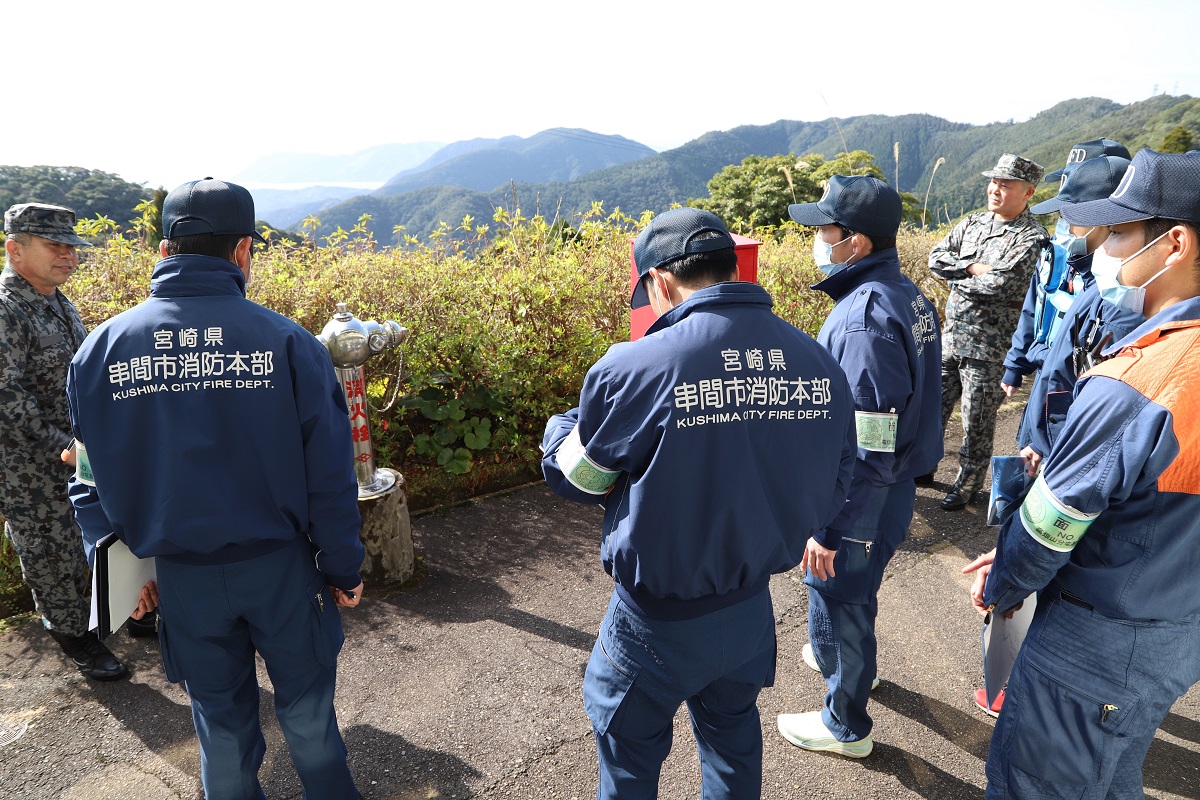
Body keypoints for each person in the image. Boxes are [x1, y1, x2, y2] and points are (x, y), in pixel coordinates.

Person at [65, 178, 366, 799]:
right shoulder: (288, 343)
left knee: (221, 732)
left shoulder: (102, 351)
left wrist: (118, 570)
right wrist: (343, 566)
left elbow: (89, 477)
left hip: (182, 580)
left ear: (164, 250)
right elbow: (330, 477)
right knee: (308, 716)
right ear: (243, 250)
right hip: (280, 571)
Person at [541, 207, 856, 799]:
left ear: (659, 281)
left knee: (630, 763)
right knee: (732, 745)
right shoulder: (817, 361)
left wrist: (563, 429)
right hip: (749, 613)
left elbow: (580, 478)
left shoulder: (634, 366)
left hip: (652, 624)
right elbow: (841, 474)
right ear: (731, 268)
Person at [972, 148, 1200, 799]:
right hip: (1176, 620)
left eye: (1120, 232)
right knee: (1111, 770)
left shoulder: (1140, 379)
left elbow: (1048, 526)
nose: (1103, 247)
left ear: (1174, 244)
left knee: (1037, 781)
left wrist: (1004, 582)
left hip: (1099, 637)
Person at [777, 176, 943, 757]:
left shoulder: (863, 319)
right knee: (854, 591)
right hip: (894, 485)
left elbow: (870, 442)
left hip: (862, 493)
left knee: (839, 592)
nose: (818, 240)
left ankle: (845, 722)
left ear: (857, 242)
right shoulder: (905, 293)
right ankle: (844, 661)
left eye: (825, 230)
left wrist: (831, 527)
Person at [969, 154, 1140, 718]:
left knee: (1046, 576)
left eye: (1074, 215)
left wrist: (1049, 456)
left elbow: (1093, 421)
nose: (1066, 226)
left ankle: (1019, 684)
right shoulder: (1087, 281)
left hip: (1063, 468)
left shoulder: (1124, 308)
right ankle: (1006, 673)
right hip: (1043, 445)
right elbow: (1048, 348)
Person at [0, 202, 127, 681]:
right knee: (50, 552)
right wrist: (64, 446)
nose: (69, 255)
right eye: (55, 245)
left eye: (72, 247)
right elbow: (6, 395)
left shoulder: (55, 299)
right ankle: (76, 639)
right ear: (15, 250)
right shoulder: (6, 308)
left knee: (96, 536)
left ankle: (118, 612)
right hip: (28, 467)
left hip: (79, 452)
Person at [929, 154, 1048, 510]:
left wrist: (957, 278)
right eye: (994, 182)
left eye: (1005, 185)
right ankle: (924, 466)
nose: (995, 189)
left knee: (976, 420)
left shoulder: (1032, 238)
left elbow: (999, 285)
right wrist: (971, 268)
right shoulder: (973, 223)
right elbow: (936, 258)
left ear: (1027, 192)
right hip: (951, 337)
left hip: (989, 347)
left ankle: (967, 484)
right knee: (932, 410)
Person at [1000, 139, 1131, 399]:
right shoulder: (1059, 246)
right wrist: (1016, 362)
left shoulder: (1116, 273)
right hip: (1047, 367)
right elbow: (1037, 302)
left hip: (1073, 376)